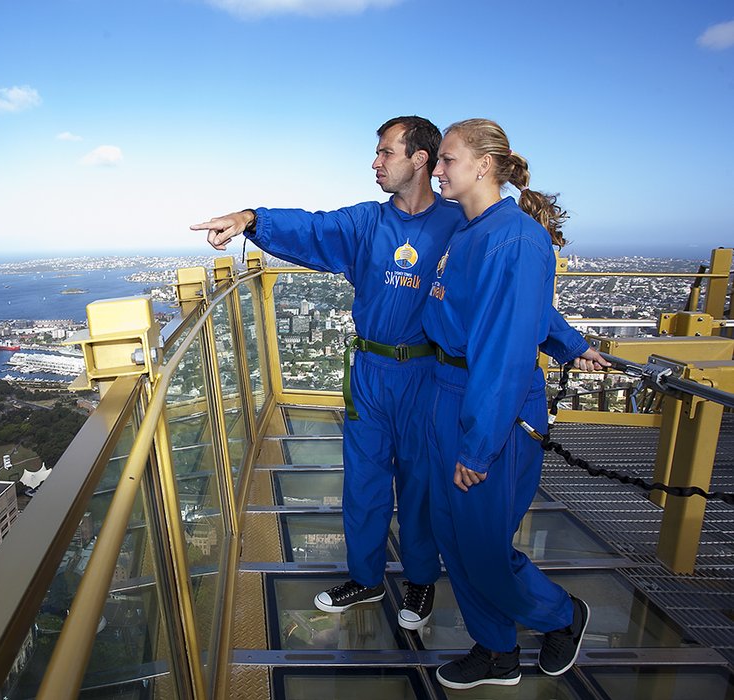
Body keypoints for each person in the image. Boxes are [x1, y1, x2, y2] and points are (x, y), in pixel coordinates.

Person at [190, 117, 604, 632]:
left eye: (386, 152)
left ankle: (421, 578)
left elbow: (514, 302)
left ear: (420, 160)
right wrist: (252, 219)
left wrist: (570, 344)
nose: (376, 162)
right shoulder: (367, 224)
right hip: (371, 370)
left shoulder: (464, 225)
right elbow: (313, 228)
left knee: (421, 485)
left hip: (427, 376)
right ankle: (364, 577)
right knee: (362, 481)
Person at [425, 118, 591, 689]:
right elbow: (526, 312)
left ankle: (562, 615)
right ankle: (496, 650)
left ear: (483, 166)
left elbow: (503, 351)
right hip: (450, 394)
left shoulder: (514, 238)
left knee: (484, 547)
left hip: (490, 404)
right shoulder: (470, 230)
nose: (437, 169)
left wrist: (478, 445)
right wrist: (573, 345)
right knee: (454, 536)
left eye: (446, 159)